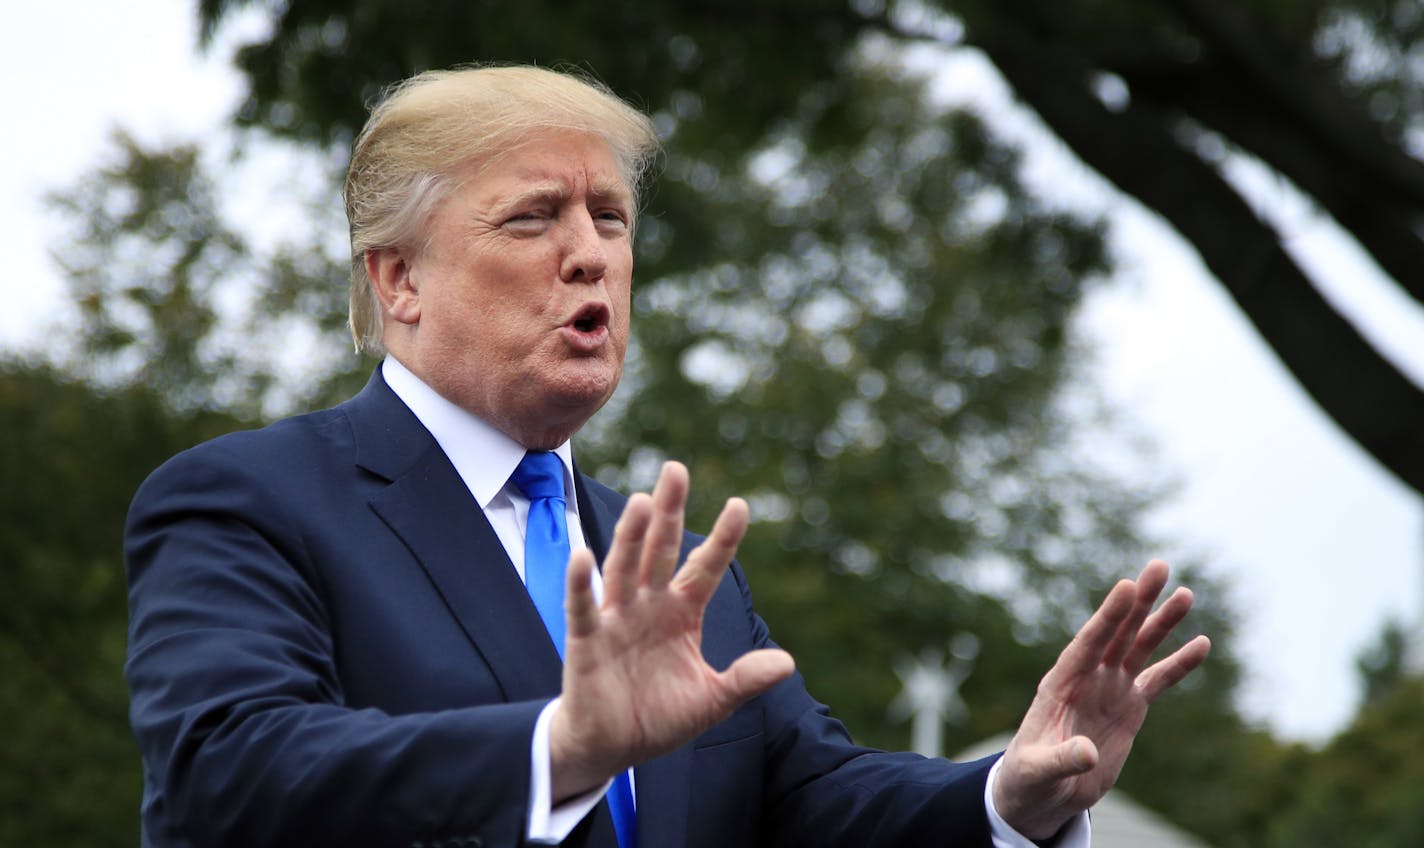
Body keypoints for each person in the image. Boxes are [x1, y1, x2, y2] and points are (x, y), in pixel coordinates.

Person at [124, 64, 1210, 848]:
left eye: (609, 216)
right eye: (532, 218)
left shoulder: (681, 575)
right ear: (398, 280)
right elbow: (229, 772)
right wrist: (556, 745)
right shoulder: (245, 501)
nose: (589, 254)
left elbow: (807, 800)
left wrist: (1002, 800)